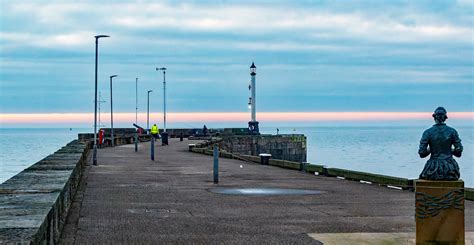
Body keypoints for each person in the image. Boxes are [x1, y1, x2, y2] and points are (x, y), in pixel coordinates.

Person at [418, 107, 463, 180]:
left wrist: (431, 149)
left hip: (433, 169)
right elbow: (459, 152)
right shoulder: (452, 131)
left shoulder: (427, 132)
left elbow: (422, 154)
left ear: (434, 117)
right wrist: (449, 150)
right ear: (445, 118)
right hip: (450, 169)